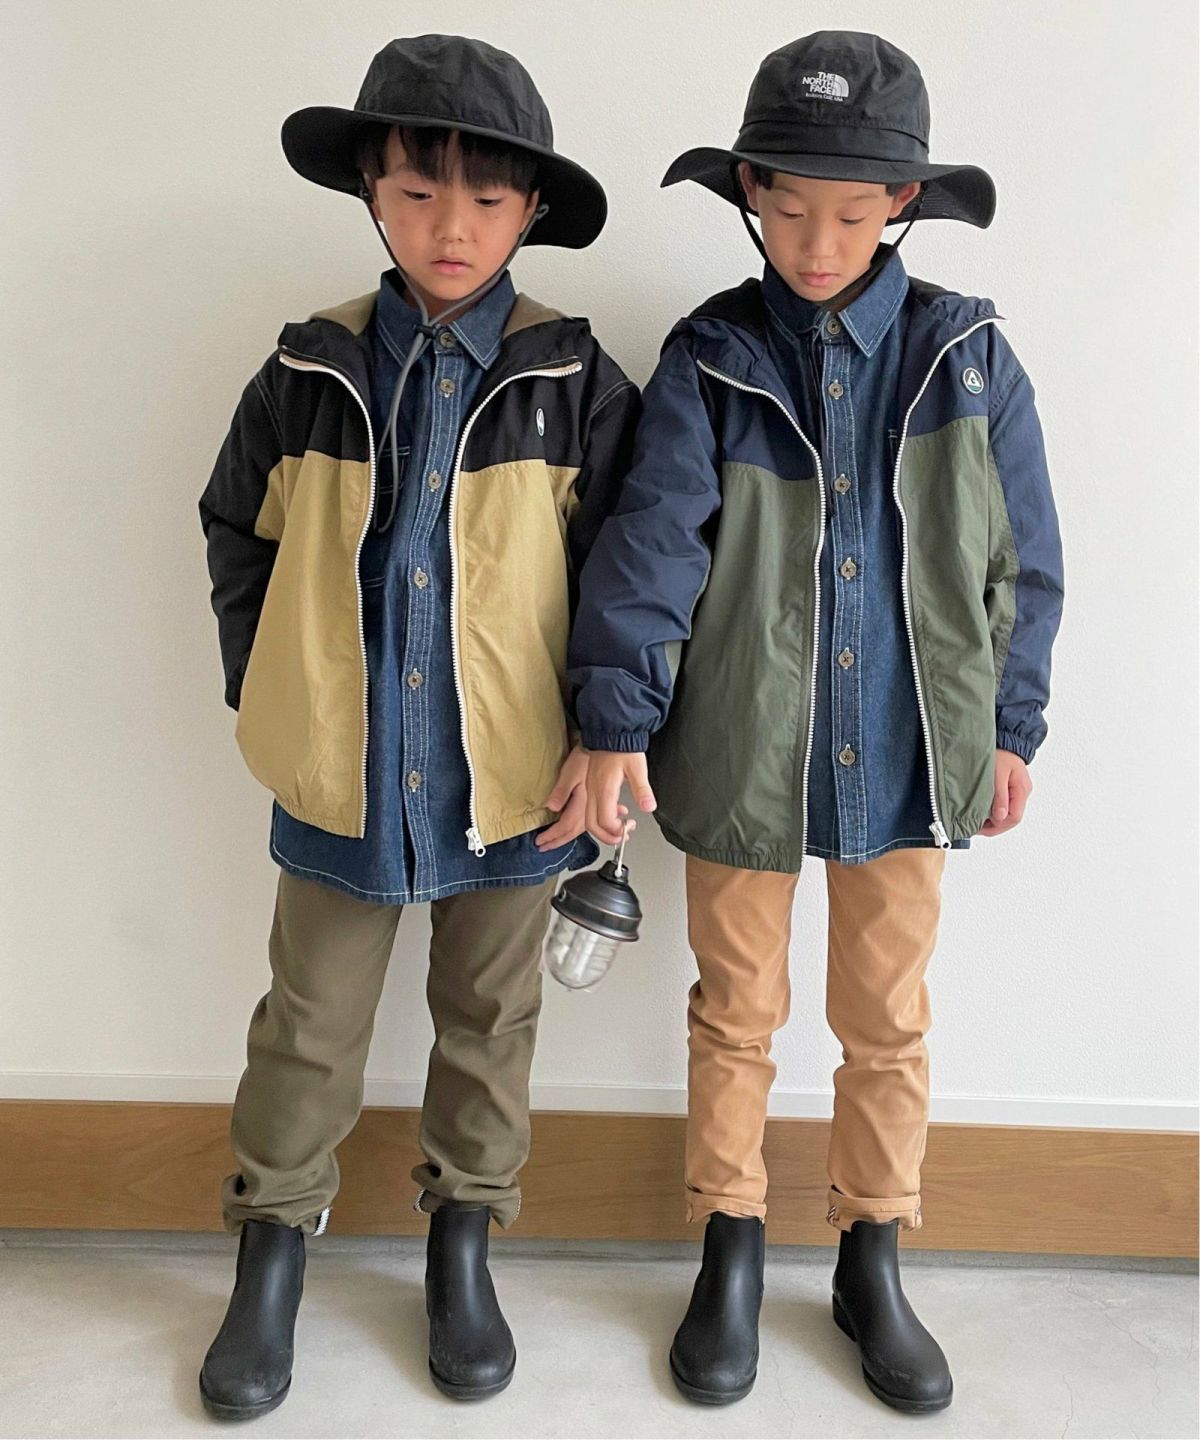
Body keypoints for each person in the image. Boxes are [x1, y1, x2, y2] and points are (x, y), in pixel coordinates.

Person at [569, 30, 1063, 1413]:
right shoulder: (713, 357)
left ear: (902, 203)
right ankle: (728, 1242)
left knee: (887, 1018)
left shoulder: (967, 358)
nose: (818, 243)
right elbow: (652, 548)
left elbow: (1022, 559)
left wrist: (1011, 722)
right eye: (789, 210)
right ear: (750, 192)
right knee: (735, 1010)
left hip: (911, 747)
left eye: (851, 214)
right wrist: (617, 719)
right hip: (741, 744)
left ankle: (871, 1254)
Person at [197, 34, 639, 1418]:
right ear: (372, 196)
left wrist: (607, 730)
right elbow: (237, 530)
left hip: (515, 781)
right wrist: (268, 684)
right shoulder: (309, 365)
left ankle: (464, 1241)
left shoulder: (573, 379)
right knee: (307, 1020)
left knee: (491, 1016)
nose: (453, 226)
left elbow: (628, 575)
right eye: (418, 190)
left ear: (531, 210)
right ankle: (273, 1245)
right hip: (339, 770)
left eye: (489, 199)